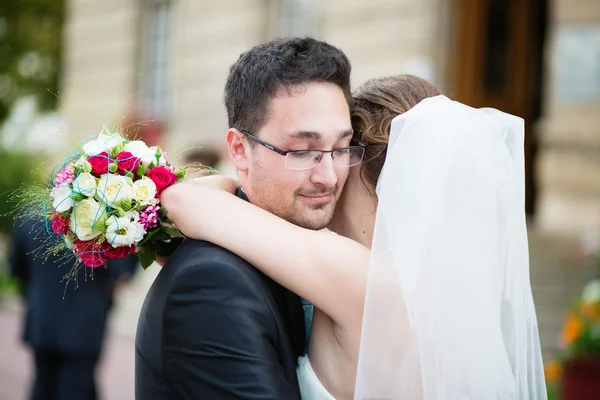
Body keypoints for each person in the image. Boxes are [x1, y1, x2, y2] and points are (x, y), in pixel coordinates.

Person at [162, 74, 548, 399]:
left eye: (344, 153)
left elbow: (184, 200)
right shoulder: (447, 293)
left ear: (381, 177)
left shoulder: (366, 277)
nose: (331, 176)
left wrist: (232, 180)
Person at [134, 37, 356, 399]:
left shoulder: (300, 257)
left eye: (342, 149)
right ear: (240, 150)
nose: (329, 176)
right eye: (302, 152)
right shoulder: (212, 283)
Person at [10, 214, 138, 400]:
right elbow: (121, 273)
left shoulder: (29, 216)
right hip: (85, 325)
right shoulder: (104, 217)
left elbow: (16, 267)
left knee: (42, 386)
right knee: (78, 389)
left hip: (42, 320)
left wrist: (34, 297)